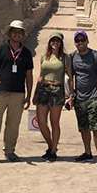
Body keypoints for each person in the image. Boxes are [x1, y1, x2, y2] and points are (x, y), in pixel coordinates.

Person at [0, 20, 34, 166]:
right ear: (10, 33)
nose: (17, 35)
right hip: (0, 93)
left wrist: (29, 95)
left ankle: (9, 151)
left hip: (18, 94)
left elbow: (29, 76)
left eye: (20, 32)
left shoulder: (26, 54)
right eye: (15, 32)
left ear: (22, 35)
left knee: (13, 125)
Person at [68, 30, 97, 170]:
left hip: (93, 98)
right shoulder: (72, 57)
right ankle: (87, 152)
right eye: (77, 41)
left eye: (82, 40)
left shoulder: (96, 56)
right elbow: (70, 77)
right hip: (79, 98)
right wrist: (71, 95)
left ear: (87, 41)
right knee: (83, 128)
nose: (80, 43)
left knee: (96, 128)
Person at [32, 32, 73, 162]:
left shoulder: (65, 58)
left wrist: (71, 94)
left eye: (58, 41)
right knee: (41, 121)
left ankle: (53, 151)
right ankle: (51, 145)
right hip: (43, 89)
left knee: (55, 122)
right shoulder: (44, 57)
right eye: (53, 40)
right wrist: (35, 93)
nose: (55, 43)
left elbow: (70, 77)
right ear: (49, 42)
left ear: (61, 43)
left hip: (57, 90)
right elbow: (40, 76)